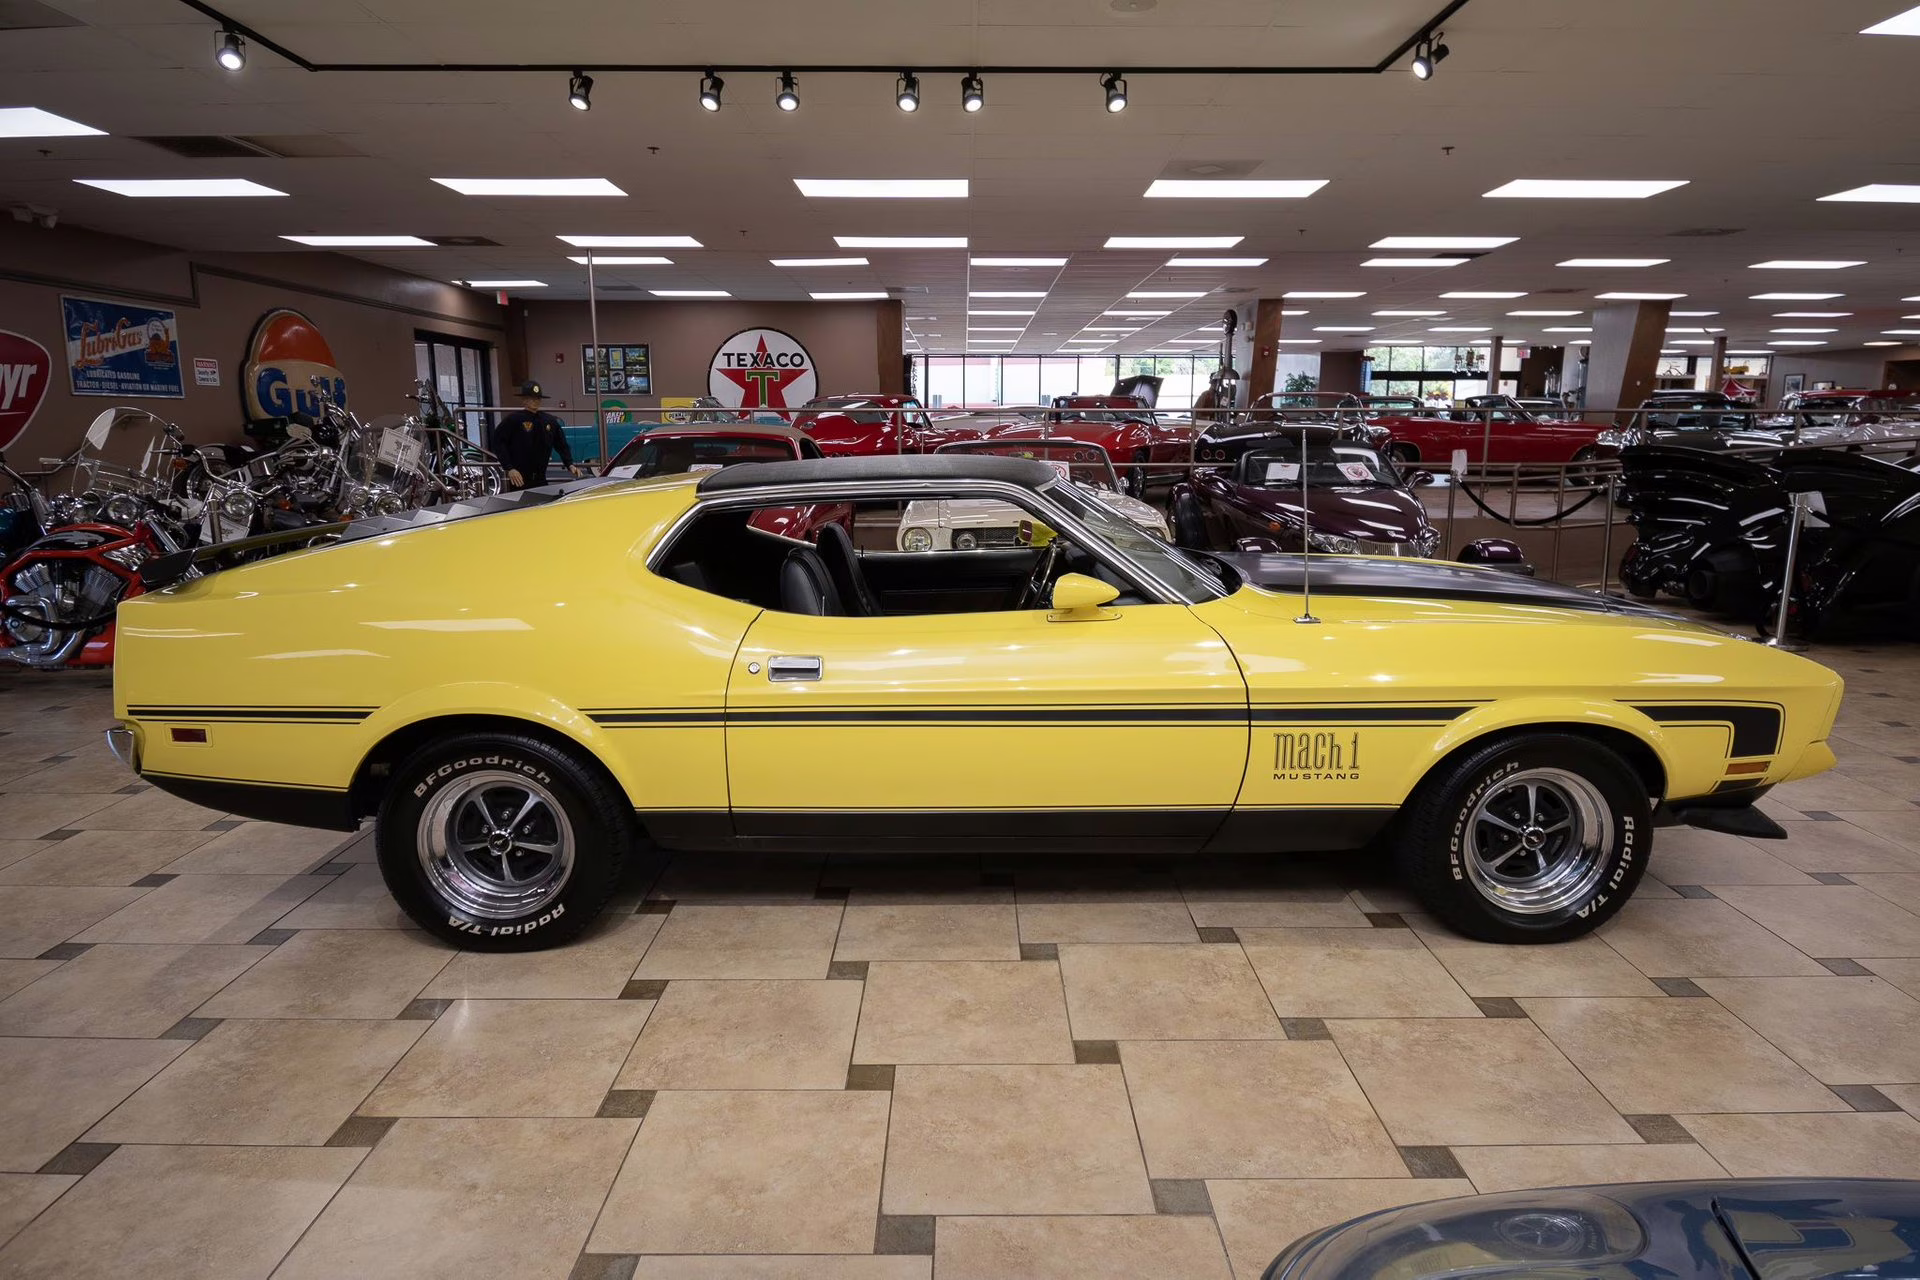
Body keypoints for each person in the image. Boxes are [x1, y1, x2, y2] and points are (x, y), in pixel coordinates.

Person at [489, 380, 579, 489]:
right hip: (519, 478)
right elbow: (498, 442)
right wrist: (509, 468)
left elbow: (561, 444)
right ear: (524, 400)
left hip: (540, 477)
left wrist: (569, 464)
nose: (535, 401)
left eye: (537, 398)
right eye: (531, 398)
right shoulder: (513, 420)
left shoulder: (549, 421)